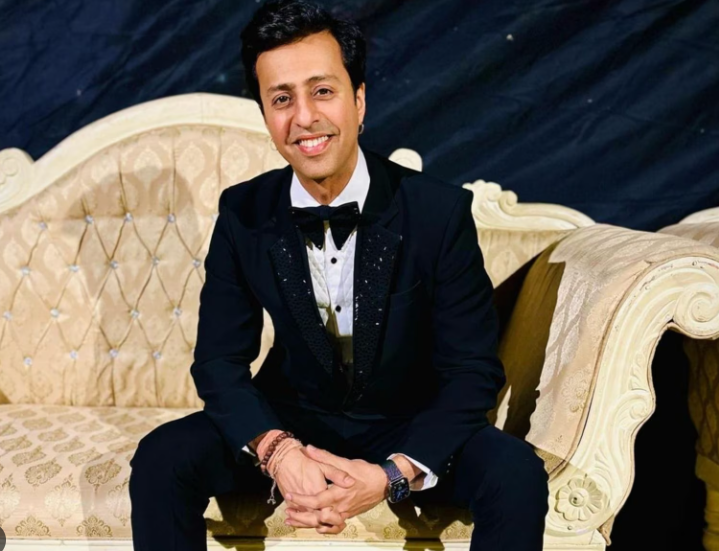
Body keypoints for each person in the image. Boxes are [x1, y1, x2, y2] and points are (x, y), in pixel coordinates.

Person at [128, 1, 549, 549]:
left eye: (322, 91)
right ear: (265, 114)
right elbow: (218, 362)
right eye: (282, 99)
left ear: (359, 100)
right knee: (162, 457)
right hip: (291, 421)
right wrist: (279, 452)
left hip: (407, 424)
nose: (304, 117)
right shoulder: (243, 213)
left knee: (515, 474)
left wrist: (391, 474)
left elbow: (471, 371)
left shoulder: (438, 212)